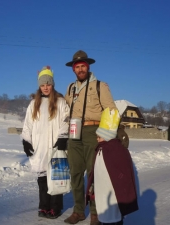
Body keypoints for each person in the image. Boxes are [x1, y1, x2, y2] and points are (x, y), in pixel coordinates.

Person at [64, 50, 117, 225]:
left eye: (83, 66)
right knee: (75, 173)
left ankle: (95, 213)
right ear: (73, 69)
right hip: (74, 132)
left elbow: (111, 110)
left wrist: (105, 134)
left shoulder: (100, 86)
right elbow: (63, 109)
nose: (80, 69)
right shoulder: (70, 88)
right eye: (77, 67)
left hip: (93, 131)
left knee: (93, 174)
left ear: (88, 67)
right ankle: (78, 211)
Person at [21, 66, 70, 219]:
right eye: (42, 85)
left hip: (55, 146)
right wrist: (26, 141)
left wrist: (63, 137)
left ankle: (55, 207)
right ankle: (44, 206)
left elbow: (65, 120)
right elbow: (27, 124)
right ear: (39, 86)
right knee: (42, 179)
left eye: (48, 84)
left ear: (52, 84)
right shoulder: (33, 104)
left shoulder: (61, 102)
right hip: (39, 146)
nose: (45, 87)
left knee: (56, 178)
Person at [86, 107, 138, 225]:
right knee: (105, 211)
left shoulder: (116, 150)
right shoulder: (100, 149)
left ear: (107, 136)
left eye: (99, 137)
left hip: (113, 191)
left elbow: (123, 172)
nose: (97, 139)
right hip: (102, 190)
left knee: (114, 214)